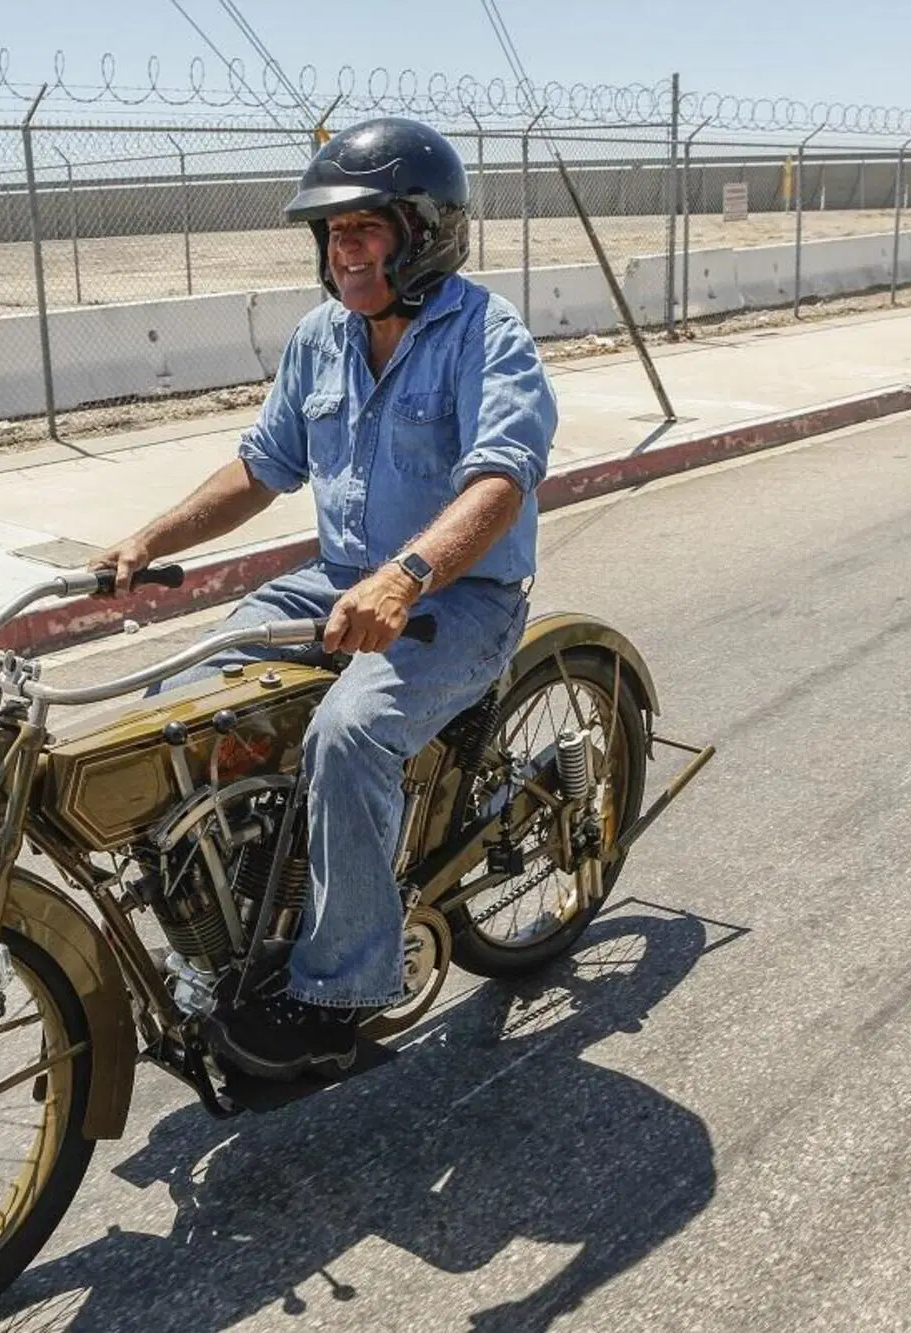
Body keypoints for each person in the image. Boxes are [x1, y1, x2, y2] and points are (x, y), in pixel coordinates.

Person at [90, 116, 557, 1081]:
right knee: (186, 701)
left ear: (425, 230)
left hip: (459, 597)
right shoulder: (321, 339)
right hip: (340, 582)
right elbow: (262, 468)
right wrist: (147, 538)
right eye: (333, 233)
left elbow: (500, 481)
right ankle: (223, 929)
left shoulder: (485, 333)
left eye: (365, 229)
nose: (344, 250)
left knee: (348, 734)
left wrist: (407, 574)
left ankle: (342, 988)